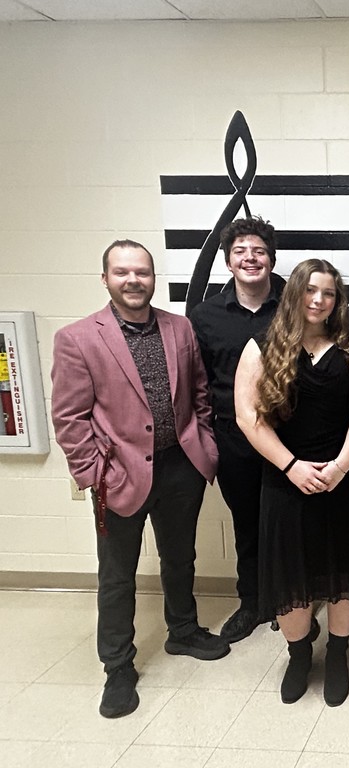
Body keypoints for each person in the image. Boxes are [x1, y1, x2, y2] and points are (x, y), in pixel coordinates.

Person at [52, 240, 227, 720]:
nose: (134, 280)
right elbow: (69, 417)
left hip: (179, 467)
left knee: (179, 557)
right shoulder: (79, 338)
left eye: (143, 272)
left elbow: (199, 392)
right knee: (116, 576)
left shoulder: (179, 328)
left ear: (153, 277)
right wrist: (93, 473)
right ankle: (118, 667)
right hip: (118, 474)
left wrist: (204, 448)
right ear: (105, 278)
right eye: (122, 272)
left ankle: (183, 631)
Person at [234, 258, 349, 706]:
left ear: (338, 300)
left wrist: (338, 467)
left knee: (342, 574)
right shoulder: (262, 346)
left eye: (329, 293)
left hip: (341, 481)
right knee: (291, 579)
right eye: (311, 290)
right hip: (285, 483)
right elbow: (248, 418)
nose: (319, 300)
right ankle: (299, 656)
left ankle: (337, 654)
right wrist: (292, 466)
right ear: (295, 292)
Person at [190, 216, 286, 643]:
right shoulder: (205, 316)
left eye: (259, 251)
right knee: (247, 524)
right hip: (234, 441)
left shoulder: (295, 305)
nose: (251, 259)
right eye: (241, 252)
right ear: (228, 262)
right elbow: (198, 383)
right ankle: (252, 603)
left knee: (289, 523)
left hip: (289, 437)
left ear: (272, 258)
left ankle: (291, 602)